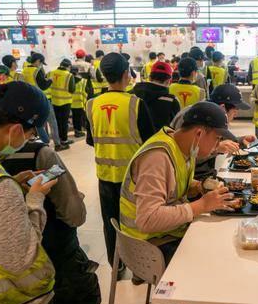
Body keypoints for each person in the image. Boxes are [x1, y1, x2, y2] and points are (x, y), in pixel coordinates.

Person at [120, 102, 240, 263]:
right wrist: (201, 206)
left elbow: (173, 187)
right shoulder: (157, 158)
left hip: (168, 231)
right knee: (215, 259)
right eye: (216, 139)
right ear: (199, 133)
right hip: (146, 243)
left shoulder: (184, 147)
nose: (217, 146)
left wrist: (199, 187)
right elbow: (147, 220)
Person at [1, 137, 102, 304]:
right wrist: (35, 199)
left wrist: (14, 184)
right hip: (57, 269)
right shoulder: (40, 154)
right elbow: (75, 216)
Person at [85, 52, 155, 276]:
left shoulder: (92, 104)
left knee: (110, 221)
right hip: (133, 177)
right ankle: (138, 269)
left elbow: (89, 139)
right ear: (127, 74)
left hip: (105, 175)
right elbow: (149, 141)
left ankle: (116, 266)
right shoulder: (135, 104)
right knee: (134, 222)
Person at [0, 82, 57, 304]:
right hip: (13, 303)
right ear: (17, 130)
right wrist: (35, 199)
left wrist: (13, 184)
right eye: (31, 134)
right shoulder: (0, 186)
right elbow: (22, 258)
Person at [171, 84, 255, 180]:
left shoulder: (212, 115)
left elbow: (219, 139)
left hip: (201, 177)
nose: (235, 116)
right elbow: (184, 155)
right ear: (223, 107)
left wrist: (240, 140)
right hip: (190, 179)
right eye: (235, 111)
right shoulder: (195, 118)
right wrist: (216, 149)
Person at [22, 52, 62, 150]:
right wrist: (50, 80)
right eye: (41, 63)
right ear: (38, 61)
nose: (41, 65)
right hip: (42, 100)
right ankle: (57, 144)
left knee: (38, 123)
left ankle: (45, 143)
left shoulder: (25, 70)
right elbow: (43, 86)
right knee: (52, 122)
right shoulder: (37, 71)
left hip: (31, 100)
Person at [132, 61, 181, 132]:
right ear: (169, 80)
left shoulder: (133, 95)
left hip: (136, 142)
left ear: (150, 77)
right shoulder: (171, 101)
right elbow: (177, 128)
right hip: (160, 142)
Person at [50, 59, 76, 147]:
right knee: (64, 122)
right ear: (69, 66)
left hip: (54, 100)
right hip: (65, 101)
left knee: (57, 121)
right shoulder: (69, 75)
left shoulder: (51, 72)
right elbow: (72, 89)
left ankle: (59, 138)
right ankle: (64, 140)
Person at [70, 66, 87, 138]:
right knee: (79, 118)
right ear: (77, 71)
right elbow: (84, 92)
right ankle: (79, 131)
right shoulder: (82, 80)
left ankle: (76, 131)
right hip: (80, 101)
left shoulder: (69, 80)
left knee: (74, 117)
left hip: (71, 102)